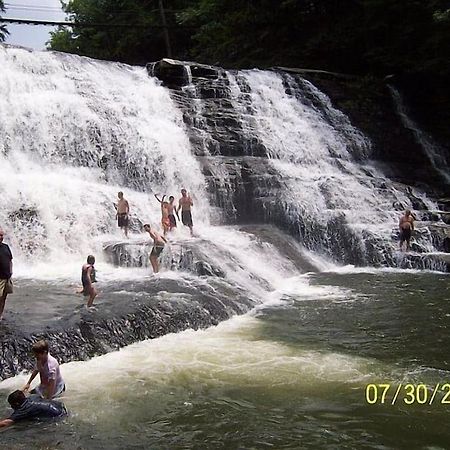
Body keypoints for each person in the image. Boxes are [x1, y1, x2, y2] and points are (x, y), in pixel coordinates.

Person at [0, 390, 67, 429]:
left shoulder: (24, 409)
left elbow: (6, 423)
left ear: (17, 404)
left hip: (59, 417)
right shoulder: (33, 396)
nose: (12, 407)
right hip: (61, 407)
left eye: (12, 405)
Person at [0, 228, 13, 321]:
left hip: (7, 277)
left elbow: (10, 260)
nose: (1, 237)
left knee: (4, 298)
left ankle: (0, 315)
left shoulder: (6, 247)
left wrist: (11, 271)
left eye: (2, 235)